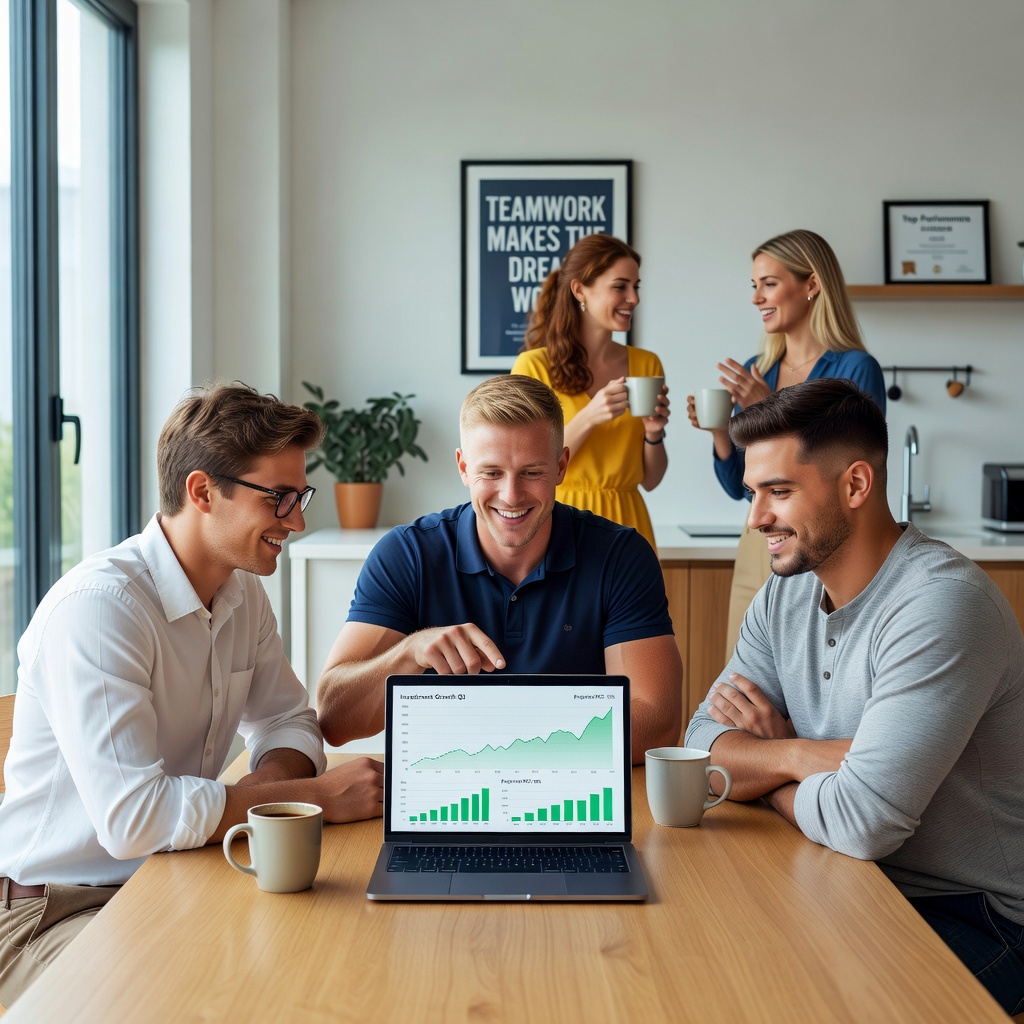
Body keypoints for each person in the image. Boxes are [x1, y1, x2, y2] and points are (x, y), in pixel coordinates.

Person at [0, 382, 384, 1008]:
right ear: (203, 492)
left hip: (172, 875)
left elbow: (288, 722)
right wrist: (313, 798)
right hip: (52, 910)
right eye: (280, 497)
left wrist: (264, 801)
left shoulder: (241, 594)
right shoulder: (102, 610)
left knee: (324, 966)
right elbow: (135, 821)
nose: (299, 520)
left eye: (300, 495)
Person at [685, 379, 1024, 1016]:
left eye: (778, 492)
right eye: (755, 492)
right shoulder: (784, 594)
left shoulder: (938, 606)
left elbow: (861, 823)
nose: (756, 517)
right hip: (837, 874)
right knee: (710, 970)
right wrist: (802, 756)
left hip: (971, 912)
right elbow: (700, 746)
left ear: (856, 485)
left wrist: (773, 759)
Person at [316, 374, 682, 763]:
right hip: (447, 797)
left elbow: (657, 723)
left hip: (570, 796)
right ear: (463, 467)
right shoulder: (407, 554)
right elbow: (334, 719)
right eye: (491, 473)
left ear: (561, 467)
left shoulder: (620, 555)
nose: (511, 495)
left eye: (532, 472)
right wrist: (409, 652)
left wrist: (494, 748)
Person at [685, 229, 885, 661]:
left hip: (824, 538)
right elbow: (741, 487)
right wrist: (722, 432)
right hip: (759, 539)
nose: (757, 298)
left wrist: (766, 409)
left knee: (814, 667)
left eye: (769, 283)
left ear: (811, 285)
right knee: (745, 672)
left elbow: (853, 460)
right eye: (754, 286)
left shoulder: (853, 368)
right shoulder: (761, 368)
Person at [511, 233, 669, 550]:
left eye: (635, 287)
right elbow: (525, 466)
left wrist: (654, 433)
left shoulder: (646, 364)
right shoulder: (533, 367)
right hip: (558, 523)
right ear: (580, 289)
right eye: (620, 286)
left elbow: (650, 480)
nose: (634, 298)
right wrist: (590, 416)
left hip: (629, 524)